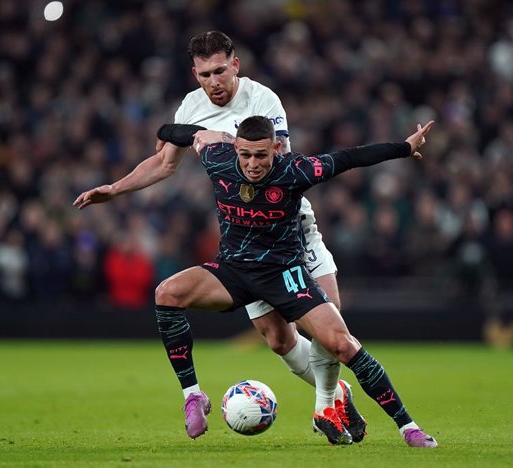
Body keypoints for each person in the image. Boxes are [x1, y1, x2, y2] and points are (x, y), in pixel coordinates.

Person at [72, 31, 365, 441]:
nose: (214, 81)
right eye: (205, 74)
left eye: (221, 71)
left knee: (330, 326)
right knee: (279, 340)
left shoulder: (264, 100)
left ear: (236, 65)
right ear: (195, 74)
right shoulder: (191, 107)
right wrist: (115, 189)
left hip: (293, 229)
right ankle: (338, 395)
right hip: (246, 241)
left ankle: (326, 406)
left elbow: (276, 158)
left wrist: (220, 139)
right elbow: (163, 164)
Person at [144, 115, 438, 447]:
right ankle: (193, 396)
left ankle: (408, 428)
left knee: (341, 343)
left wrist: (402, 147)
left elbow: (348, 158)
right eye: (246, 155)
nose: (253, 164)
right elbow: (189, 134)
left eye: (261, 156)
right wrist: (163, 133)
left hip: (284, 274)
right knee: (167, 293)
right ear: (235, 148)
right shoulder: (217, 156)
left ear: (276, 149)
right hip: (233, 271)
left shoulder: (294, 170)